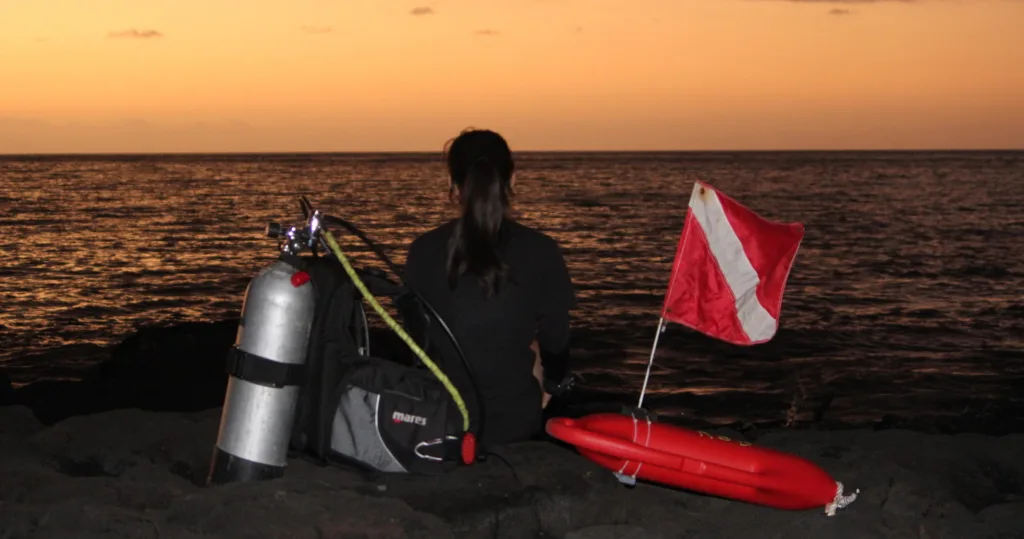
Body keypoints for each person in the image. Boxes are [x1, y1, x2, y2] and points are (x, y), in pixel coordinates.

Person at [402, 127, 576, 447]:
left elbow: (418, 342)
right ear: (513, 180)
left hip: (440, 418)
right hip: (514, 421)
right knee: (531, 343)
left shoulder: (423, 250)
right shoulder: (540, 249)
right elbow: (557, 340)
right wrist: (551, 384)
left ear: (452, 185)